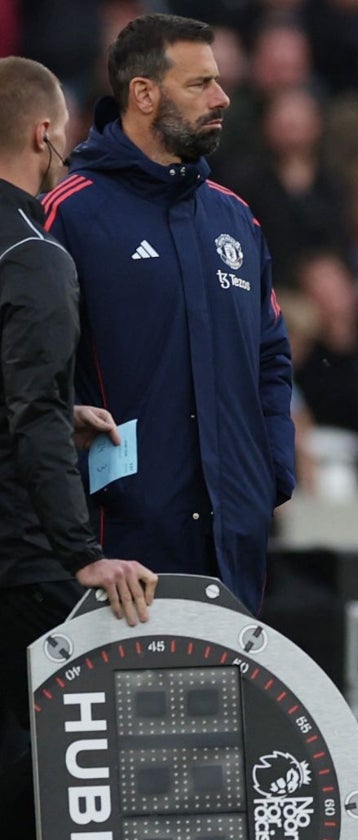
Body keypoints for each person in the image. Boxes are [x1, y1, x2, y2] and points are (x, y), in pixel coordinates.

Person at [41, 14, 296, 613]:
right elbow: (29, 375)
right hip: (117, 547)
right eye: (200, 83)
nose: (222, 97)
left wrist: (268, 477)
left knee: (225, 709)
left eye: (220, 81)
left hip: (232, 537)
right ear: (143, 94)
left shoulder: (236, 218)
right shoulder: (67, 215)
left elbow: (272, 355)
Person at [0, 55, 158, 840]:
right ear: (42, 134)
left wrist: (62, 408)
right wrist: (77, 553)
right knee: (41, 764)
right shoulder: (35, 255)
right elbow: (26, 417)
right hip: (17, 560)